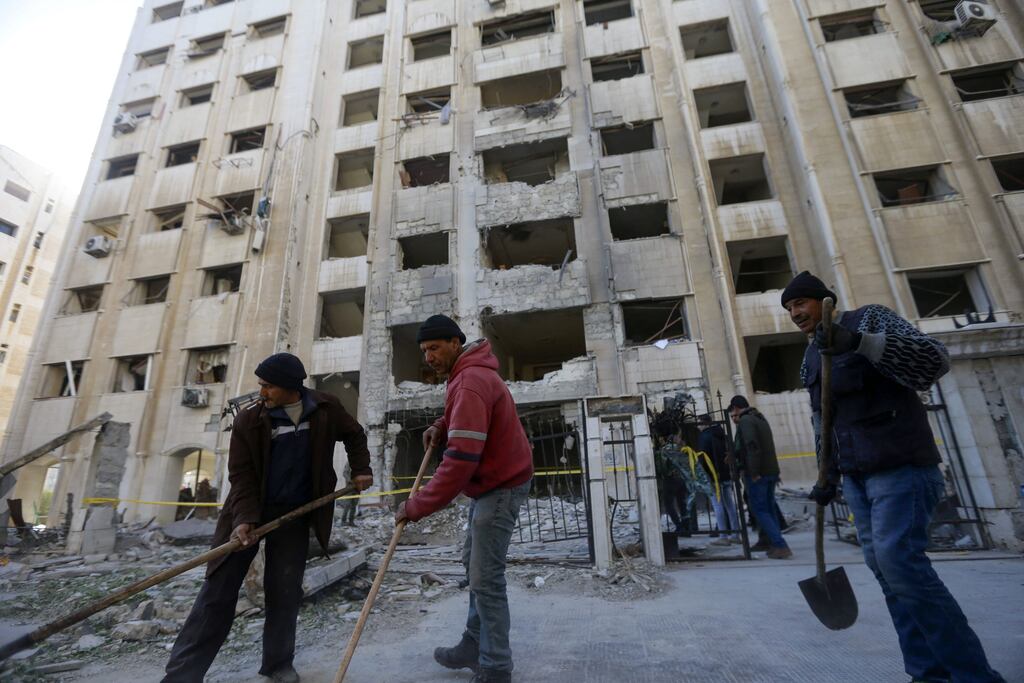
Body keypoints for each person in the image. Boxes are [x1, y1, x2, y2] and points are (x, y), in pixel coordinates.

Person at [782, 271, 1004, 683]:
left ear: (823, 300)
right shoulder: (811, 355)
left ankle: (975, 676)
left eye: (801, 303)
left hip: (900, 465)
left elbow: (934, 360)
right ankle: (927, 673)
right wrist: (825, 473)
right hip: (857, 477)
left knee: (900, 566)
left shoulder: (870, 320)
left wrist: (860, 344)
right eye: (790, 308)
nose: (795, 313)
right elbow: (822, 420)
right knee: (887, 573)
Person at [163, 353, 373, 683]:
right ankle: (182, 676)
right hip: (247, 512)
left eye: (268, 386)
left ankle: (278, 665)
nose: (262, 392)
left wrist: (361, 469)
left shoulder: (325, 408)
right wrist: (245, 520)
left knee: (285, 592)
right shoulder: (249, 420)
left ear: (291, 386)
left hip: (294, 515)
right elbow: (241, 475)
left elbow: (355, 435)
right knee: (216, 595)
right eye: (261, 385)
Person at [396, 315, 533, 683]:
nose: (429, 357)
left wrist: (417, 506)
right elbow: (467, 418)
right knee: (474, 565)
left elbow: (459, 462)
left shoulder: (470, 380)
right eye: (424, 350)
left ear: (456, 343)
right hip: (490, 483)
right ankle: (474, 644)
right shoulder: (465, 375)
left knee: (485, 577)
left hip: (501, 486)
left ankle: (495, 666)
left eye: (435, 348)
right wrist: (442, 424)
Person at [728, 395, 792, 559]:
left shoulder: (746, 421)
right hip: (771, 471)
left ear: (735, 407)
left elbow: (752, 446)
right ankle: (775, 543)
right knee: (769, 509)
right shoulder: (759, 418)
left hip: (759, 473)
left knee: (760, 509)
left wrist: (754, 471)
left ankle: (780, 544)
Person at [697, 414, 739, 545]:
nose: (698, 427)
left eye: (699, 423)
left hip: (714, 476)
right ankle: (736, 534)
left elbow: (703, 458)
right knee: (730, 505)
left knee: (718, 505)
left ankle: (723, 536)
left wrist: (703, 476)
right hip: (725, 474)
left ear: (704, 423)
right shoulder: (721, 433)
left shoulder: (705, 437)